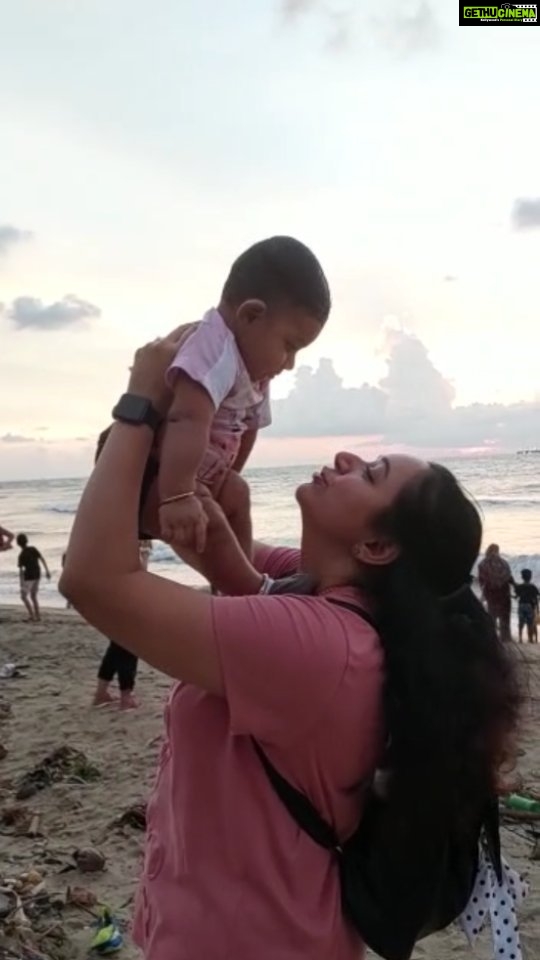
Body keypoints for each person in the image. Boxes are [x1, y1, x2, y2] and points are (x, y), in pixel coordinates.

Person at [60, 335, 521, 960]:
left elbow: (92, 578)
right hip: (231, 928)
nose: (345, 456)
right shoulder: (322, 589)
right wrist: (183, 447)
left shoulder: (317, 646)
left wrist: (138, 401)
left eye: (370, 473)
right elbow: (201, 543)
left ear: (378, 549)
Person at [100, 236, 329, 566]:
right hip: (161, 475)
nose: (289, 363)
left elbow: (249, 427)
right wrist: (178, 495)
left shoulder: (253, 370)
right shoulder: (213, 348)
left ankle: (243, 575)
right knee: (214, 523)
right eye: (289, 345)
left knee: (239, 494)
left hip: (201, 475)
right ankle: (249, 587)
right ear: (251, 315)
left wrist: (229, 476)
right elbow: (187, 419)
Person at [478, 543, 513, 642]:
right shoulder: (505, 563)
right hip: (505, 593)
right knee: (505, 619)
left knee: (492, 618)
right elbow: (509, 578)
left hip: (492, 594)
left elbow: (482, 581)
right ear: (498, 551)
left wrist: (484, 594)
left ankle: (492, 639)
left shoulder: (483, 564)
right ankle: (505, 639)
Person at [16, 533, 50, 622]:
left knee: (23, 597)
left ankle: (32, 615)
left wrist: (21, 582)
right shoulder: (33, 549)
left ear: (18, 544)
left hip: (29, 577)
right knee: (33, 596)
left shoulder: (21, 555)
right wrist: (47, 571)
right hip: (37, 574)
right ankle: (38, 616)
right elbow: (42, 559)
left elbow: (21, 570)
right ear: (26, 541)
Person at [514, 568, 539, 643]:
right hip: (529, 605)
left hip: (521, 605)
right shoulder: (533, 587)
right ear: (530, 577)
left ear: (522, 577)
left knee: (521, 622)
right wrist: (537, 608)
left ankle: (520, 638)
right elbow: (536, 597)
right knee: (530, 623)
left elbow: (517, 595)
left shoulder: (520, 586)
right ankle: (530, 639)